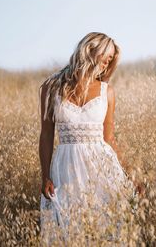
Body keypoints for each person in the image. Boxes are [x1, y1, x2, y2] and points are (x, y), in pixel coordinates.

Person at [38, 32, 144, 245]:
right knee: (67, 231)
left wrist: (131, 174)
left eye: (112, 58)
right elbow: (47, 134)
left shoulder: (108, 92)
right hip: (65, 170)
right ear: (89, 49)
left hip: (101, 170)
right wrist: (45, 175)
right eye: (107, 54)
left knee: (106, 230)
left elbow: (109, 139)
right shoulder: (51, 88)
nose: (109, 60)